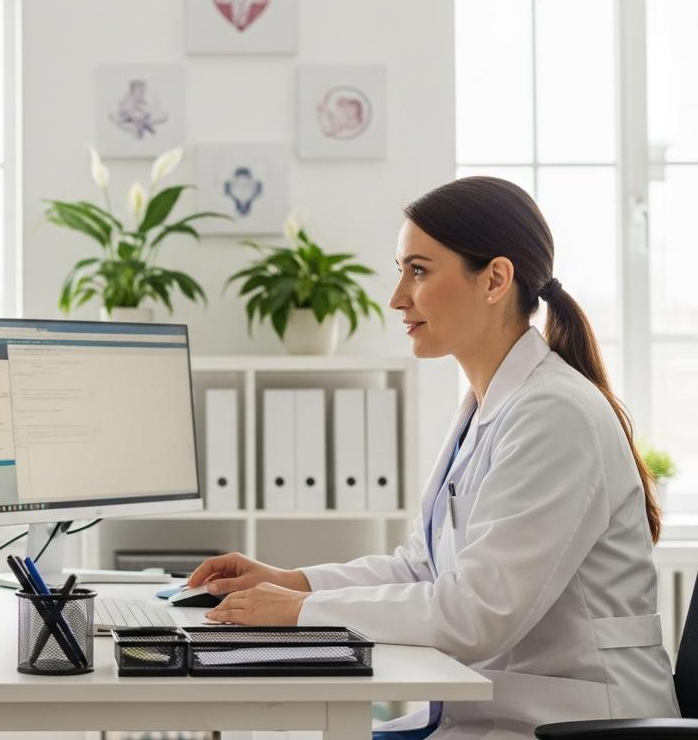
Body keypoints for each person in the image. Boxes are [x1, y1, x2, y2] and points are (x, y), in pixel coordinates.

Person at [186, 176, 680, 739]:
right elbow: (424, 567)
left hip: (573, 724)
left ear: (495, 279)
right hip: (499, 715)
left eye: (418, 271)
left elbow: (477, 613)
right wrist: (294, 581)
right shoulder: (488, 404)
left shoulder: (554, 414)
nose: (397, 297)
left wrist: (298, 614)